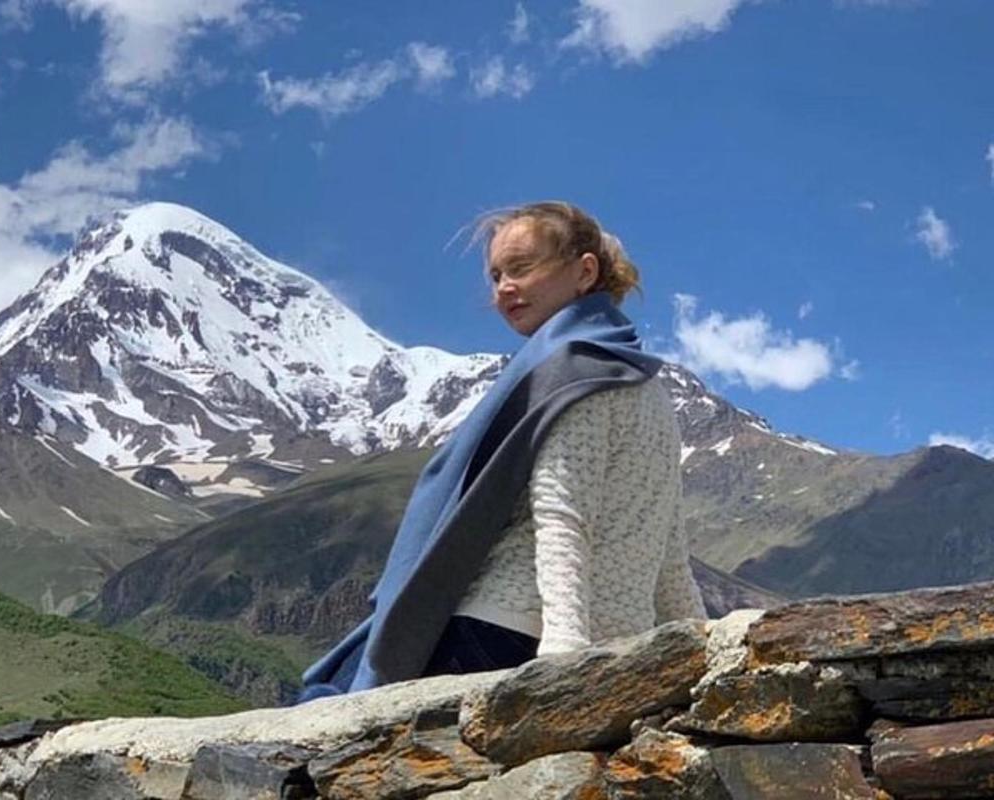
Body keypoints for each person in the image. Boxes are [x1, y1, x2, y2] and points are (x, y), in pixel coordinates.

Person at [297, 201, 705, 703]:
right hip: (612, 642)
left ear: (584, 272)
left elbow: (564, 516)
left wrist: (563, 656)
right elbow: (670, 553)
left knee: (329, 718)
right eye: (496, 276)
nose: (504, 288)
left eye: (521, 267)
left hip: (507, 631)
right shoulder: (652, 388)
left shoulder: (573, 370)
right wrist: (704, 653)